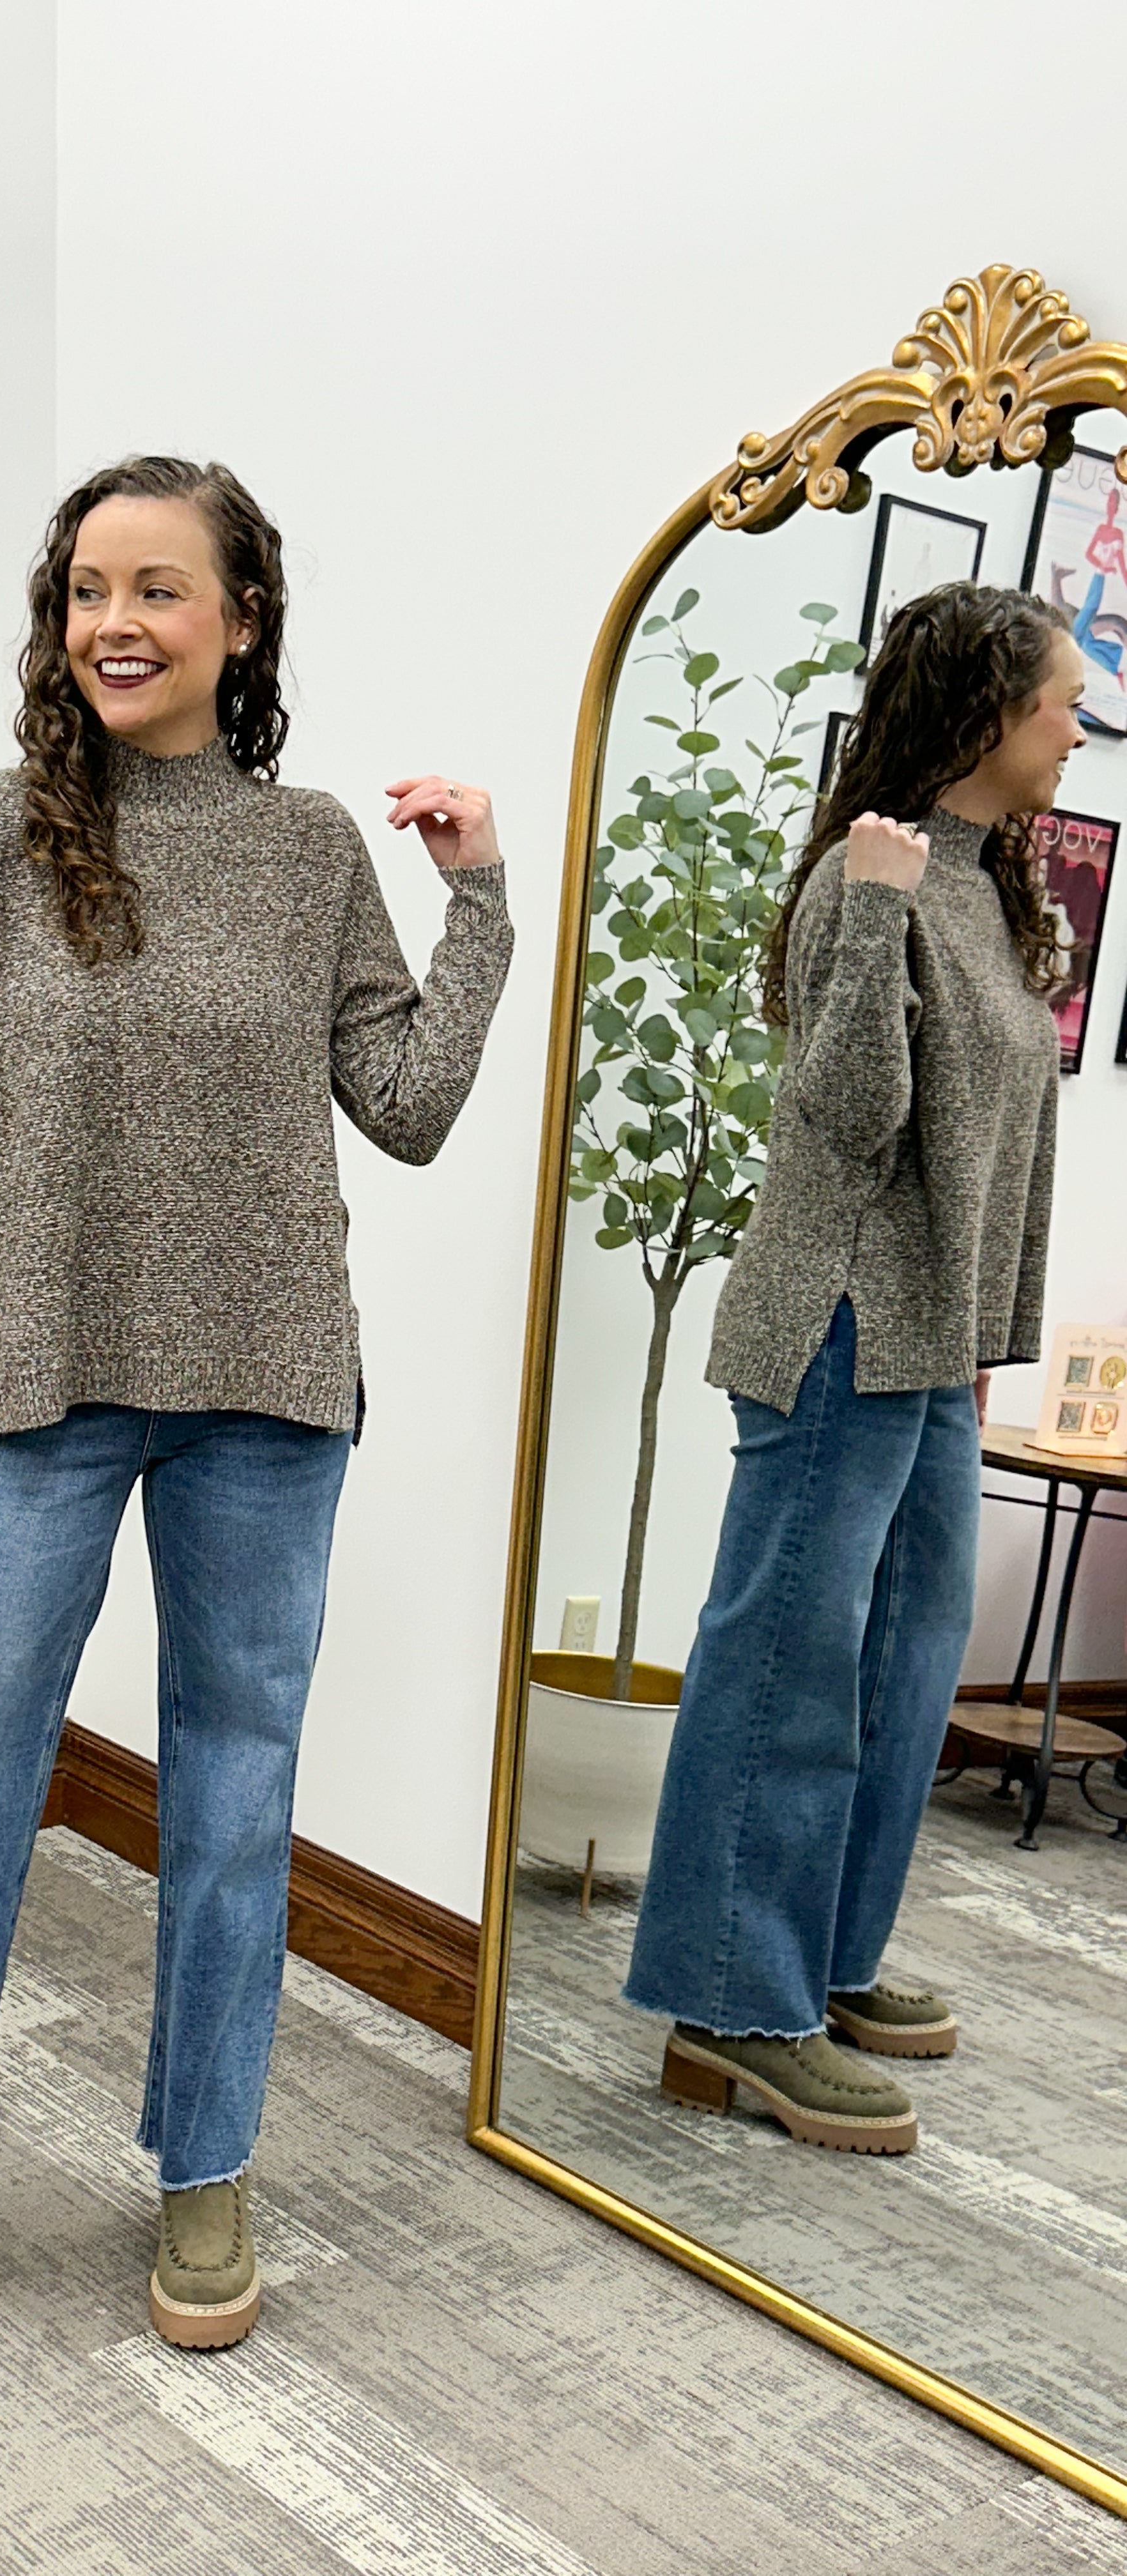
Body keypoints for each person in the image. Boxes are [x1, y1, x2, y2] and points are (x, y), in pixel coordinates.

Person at [0, 456, 514, 2358]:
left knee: (236, 1792)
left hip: (268, 1384)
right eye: (88, 587)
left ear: (241, 620)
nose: (114, 621)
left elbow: (407, 1111)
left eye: (159, 589)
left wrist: (480, 900)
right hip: (32, 1372)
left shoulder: (313, 846)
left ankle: (204, 2165)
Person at [622, 583, 1078, 2154]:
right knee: (787, 1663)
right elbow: (846, 1121)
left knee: (907, 1655)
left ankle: (825, 1959)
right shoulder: (863, 880)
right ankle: (733, 2006)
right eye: (1061, 703)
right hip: (837, 1321)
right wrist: (873, 905)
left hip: (930, 1342)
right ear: (985, 714)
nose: (1080, 728)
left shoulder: (988, 887)